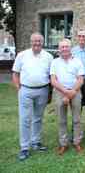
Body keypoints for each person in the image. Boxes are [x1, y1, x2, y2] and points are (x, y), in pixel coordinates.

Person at [12, 33, 53, 161]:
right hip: (26, 90)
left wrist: (50, 93)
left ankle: (36, 142)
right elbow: (15, 73)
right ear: (31, 42)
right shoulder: (22, 55)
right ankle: (24, 147)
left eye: (39, 41)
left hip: (43, 90)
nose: (37, 43)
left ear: (43, 42)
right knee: (25, 119)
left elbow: (52, 76)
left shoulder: (49, 56)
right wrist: (19, 88)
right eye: (35, 41)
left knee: (38, 118)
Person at [50, 39, 85, 155]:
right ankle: (63, 144)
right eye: (62, 47)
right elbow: (53, 80)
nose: (64, 49)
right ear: (59, 49)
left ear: (70, 48)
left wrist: (72, 92)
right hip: (60, 92)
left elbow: (80, 79)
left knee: (77, 119)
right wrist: (66, 92)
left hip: (75, 91)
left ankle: (77, 142)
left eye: (66, 46)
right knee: (61, 120)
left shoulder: (78, 61)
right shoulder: (55, 62)